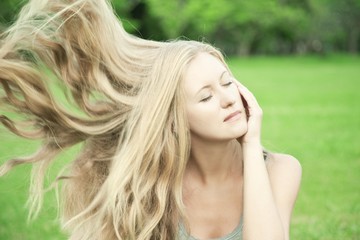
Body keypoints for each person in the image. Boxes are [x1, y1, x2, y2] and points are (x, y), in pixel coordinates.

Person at [0, 0, 302, 239]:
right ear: (176, 118)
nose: (227, 99)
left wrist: (251, 143)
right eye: (206, 97)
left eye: (227, 82)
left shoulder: (281, 170)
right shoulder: (149, 184)